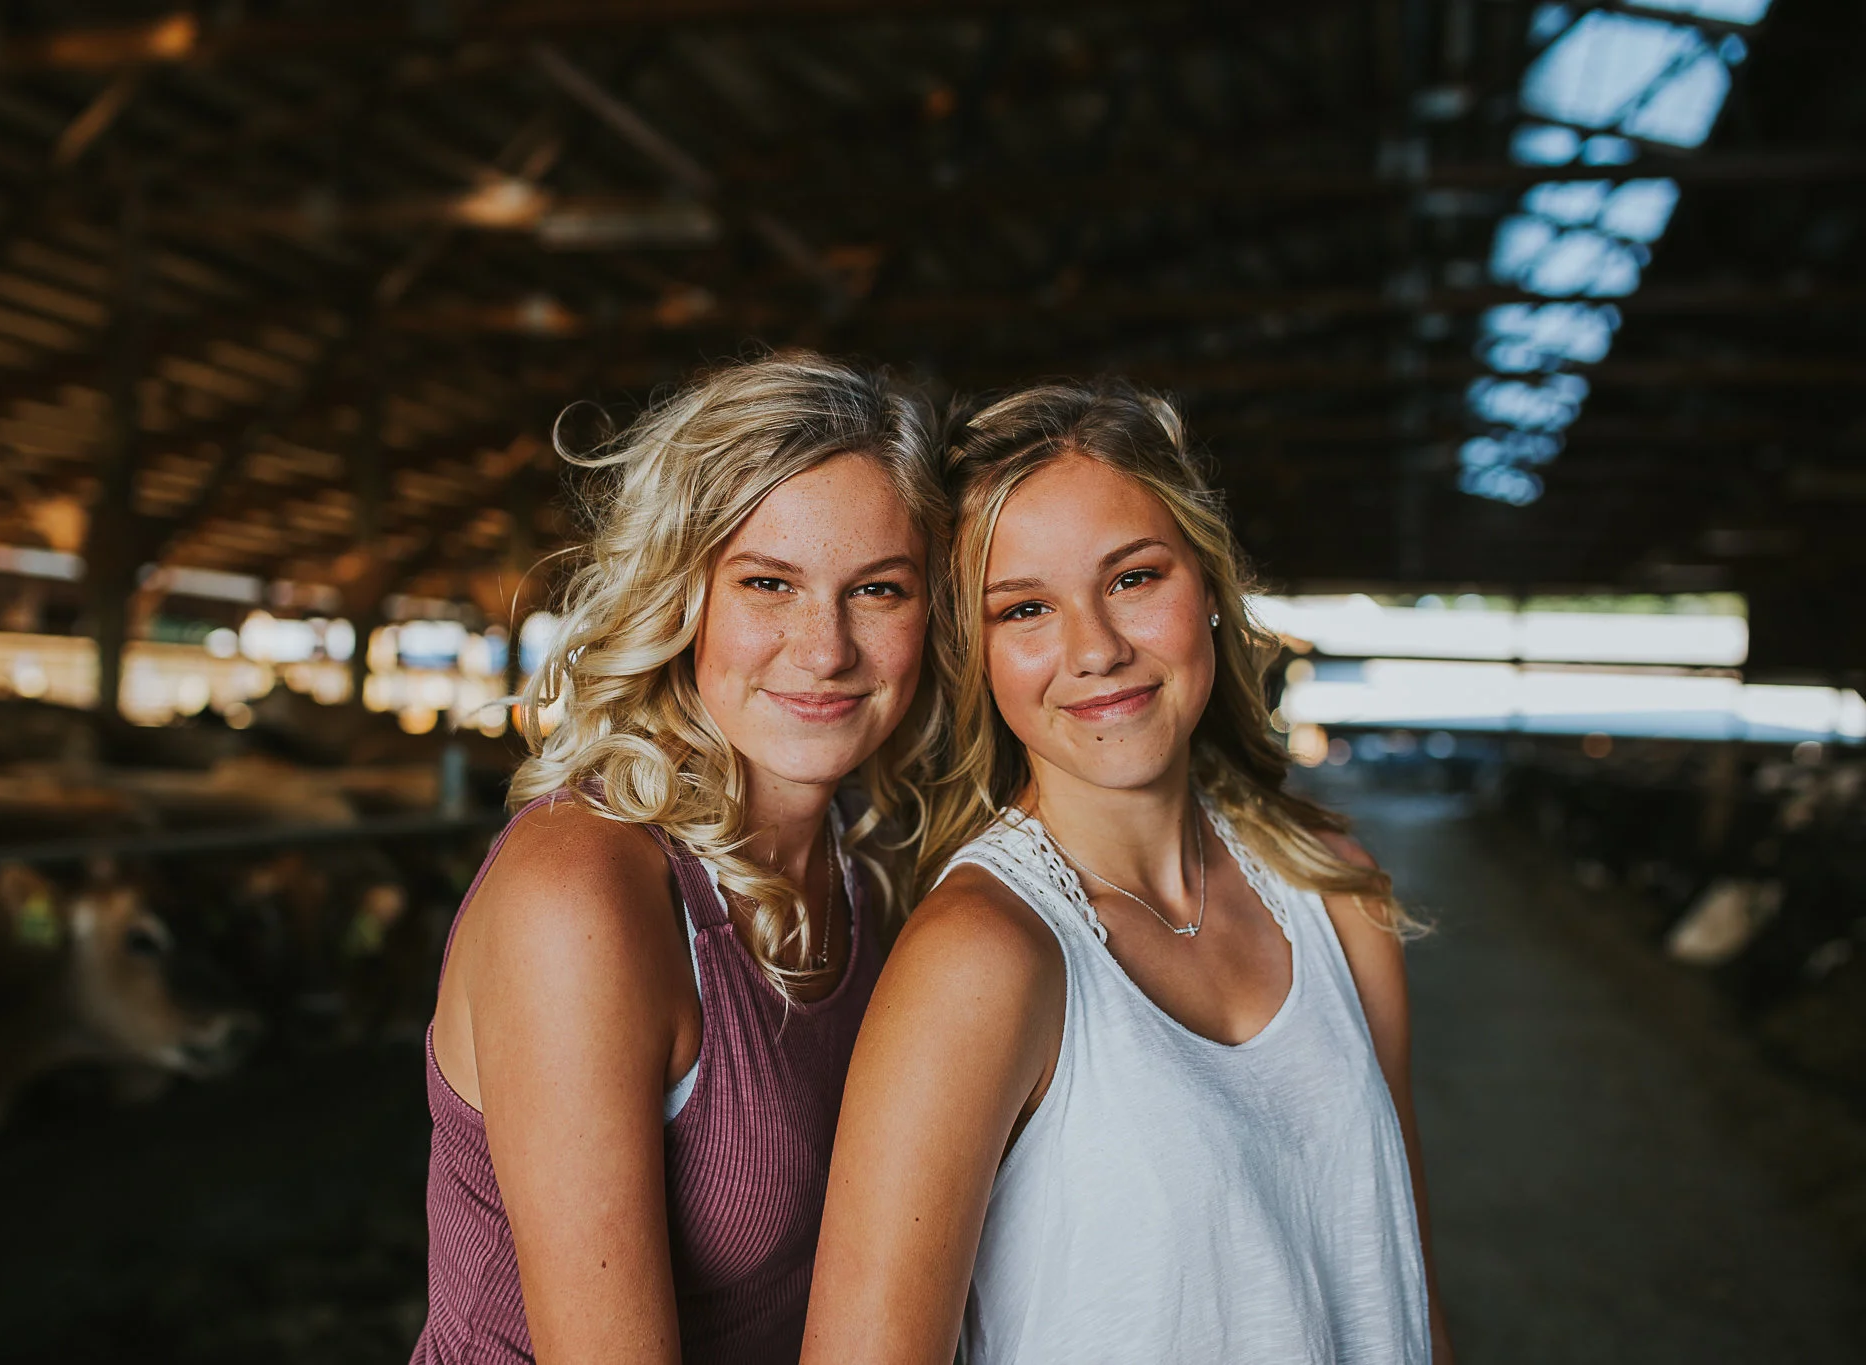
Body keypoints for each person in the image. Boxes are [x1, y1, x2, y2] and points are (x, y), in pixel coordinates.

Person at [803, 380, 1453, 1364]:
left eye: (1133, 578)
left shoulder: (1334, 894)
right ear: (972, 657)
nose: (1095, 649)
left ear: (1208, 586)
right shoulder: (983, 957)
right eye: (1024, 608)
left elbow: (1402, 1289)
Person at [412, 352, 948, 1364]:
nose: (824, 647)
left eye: (877, 589)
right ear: (680, 593)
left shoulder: (872, 868)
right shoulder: (582, 891)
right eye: (767, 584)